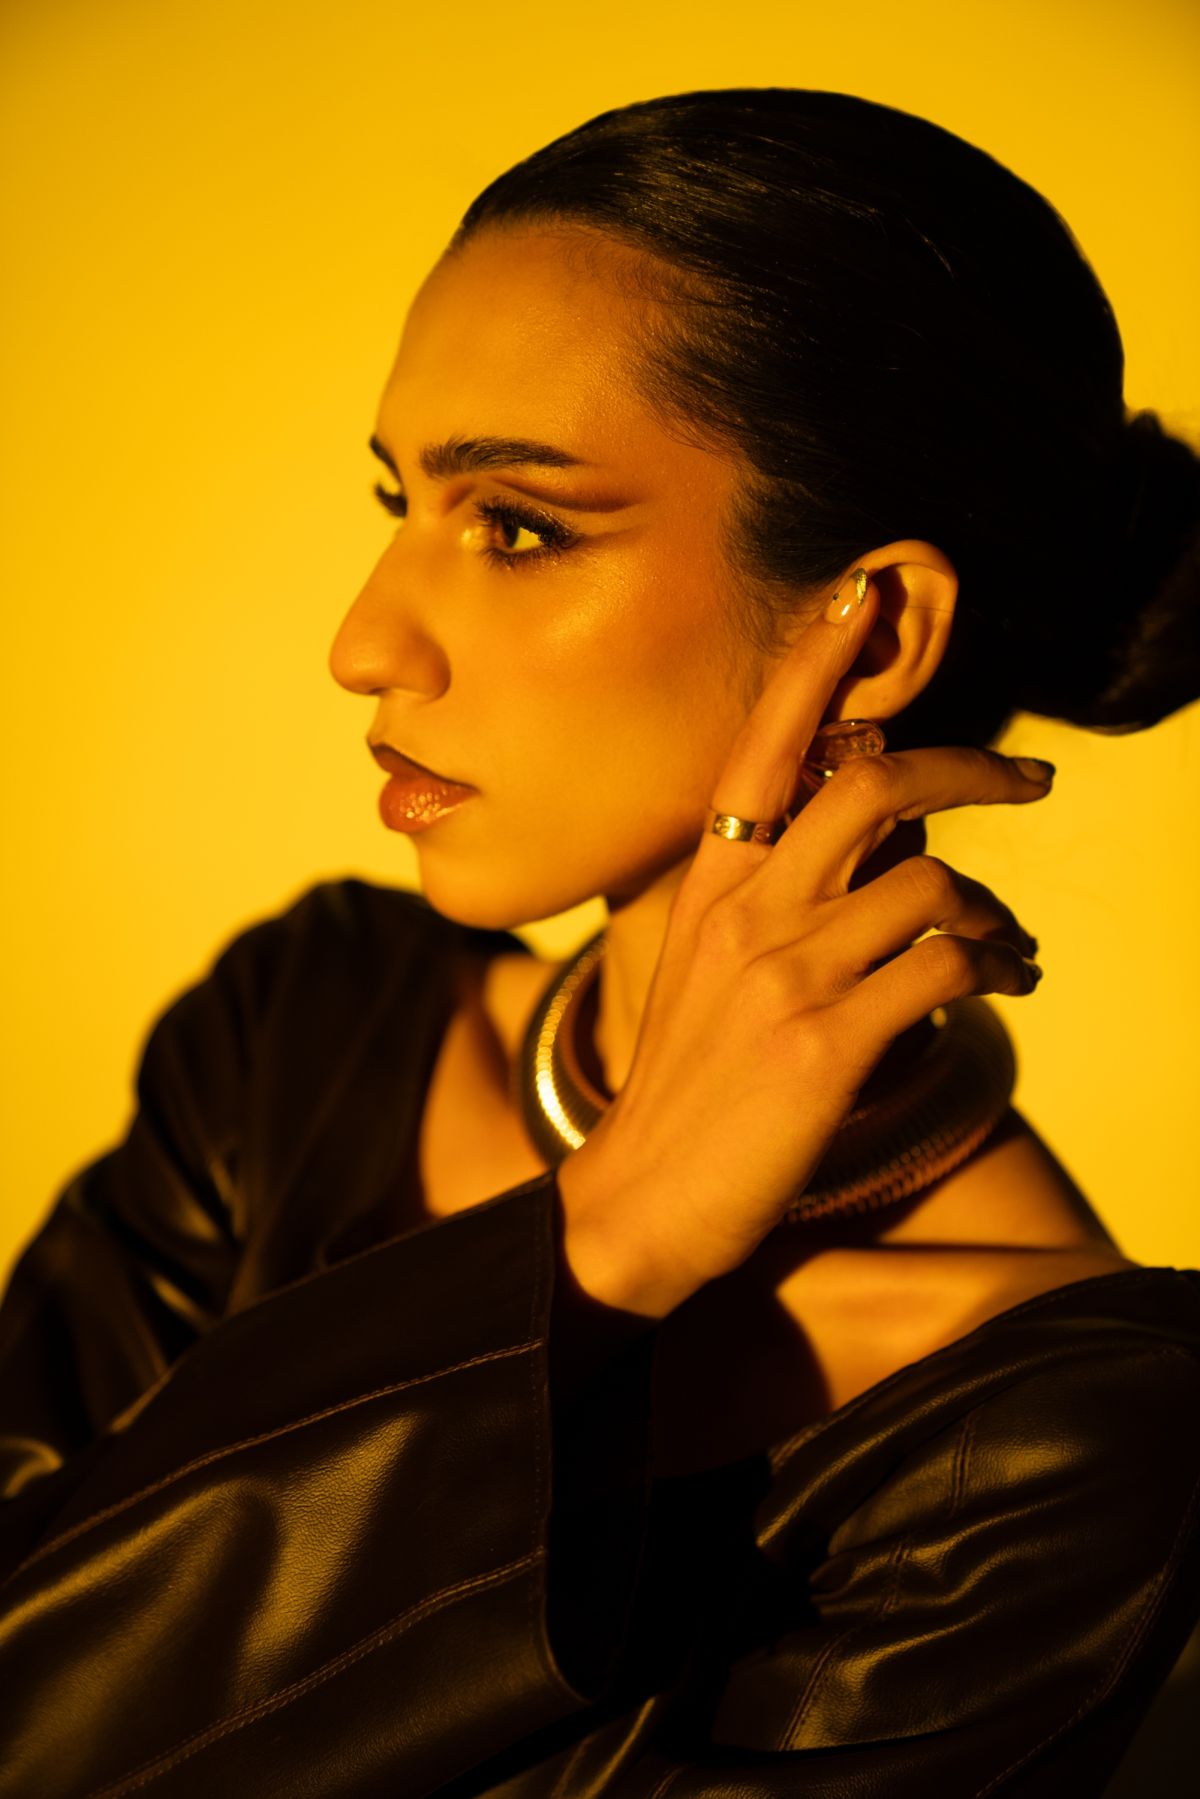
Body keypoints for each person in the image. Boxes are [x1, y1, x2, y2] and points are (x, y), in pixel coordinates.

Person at [1, 86, 1198, 1798]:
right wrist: (602, 1236)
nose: (364, 642)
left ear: (873, 636)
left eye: (516, 525)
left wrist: (598, 1251)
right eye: (398, 501)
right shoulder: (298, 1039)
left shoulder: (1058, 1450)